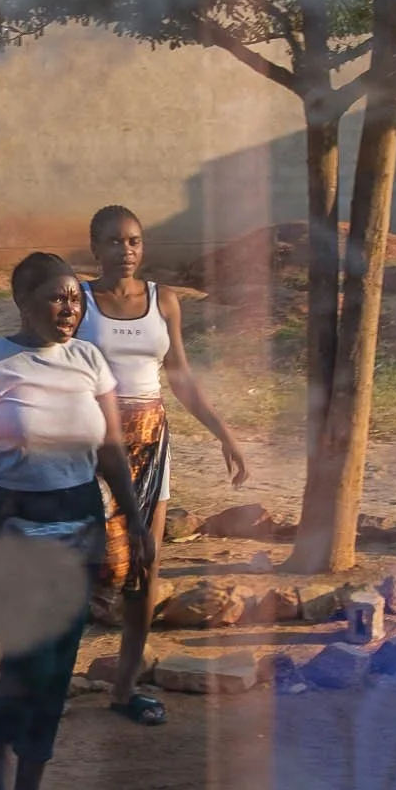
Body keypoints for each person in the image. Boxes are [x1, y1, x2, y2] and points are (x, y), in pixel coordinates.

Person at [0, 252, 151, 790]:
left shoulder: (90, 361)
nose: (69, 308)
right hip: (12, 525)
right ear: (22, 303)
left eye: (75, 299)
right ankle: (5, 774)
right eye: (56, 298)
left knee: (56, 660)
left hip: (77, 521)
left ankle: (18, 786)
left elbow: (111, 452)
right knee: (30, 653)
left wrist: (135, 521)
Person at [78, 204, 248, 726]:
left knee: (147, 566)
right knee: (91, 565)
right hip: (93, 441)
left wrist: (225, 434)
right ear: (94, 247)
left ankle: (125, 688)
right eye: (112, 241)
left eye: (133, 241)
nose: (124, 251)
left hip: (153, 440)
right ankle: (43, 685)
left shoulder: (164, 301)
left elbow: (180, 375)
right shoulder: (76, 301)